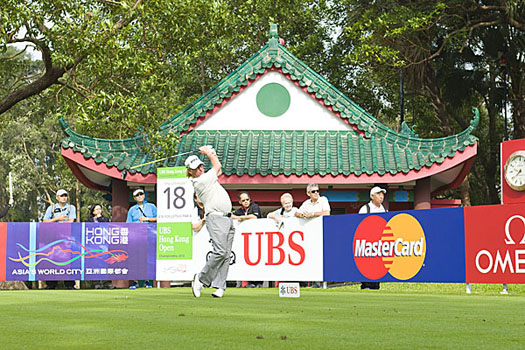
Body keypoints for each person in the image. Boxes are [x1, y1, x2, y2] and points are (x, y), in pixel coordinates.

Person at [186, 146, 235, 298]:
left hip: (227, 218)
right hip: (216, 218)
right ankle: (201, 279)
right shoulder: (199, 181)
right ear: (190, 171)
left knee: (226, 254)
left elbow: (218, 171)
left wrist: (212, 153)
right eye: (196, 168)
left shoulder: (207, 177)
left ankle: (220, 286)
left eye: (201, 165)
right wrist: (208, 153)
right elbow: (218, 166)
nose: (200, 169)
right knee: (220, 251)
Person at [42, 189, 77, 289]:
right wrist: (57, 219)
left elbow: (71, 221)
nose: (64, 197)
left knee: (68, 259)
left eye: (65, 195)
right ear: (57, 197)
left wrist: (61, 223)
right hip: (53, 237)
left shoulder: (71, 207)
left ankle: (70, 284)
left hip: (67, 237)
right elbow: (44, 221)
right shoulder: (51, 208)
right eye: (61, 196)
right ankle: (51, 284)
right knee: (52, 259)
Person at [126, 188, 157, 289]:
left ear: (144, 195)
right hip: (136, 236)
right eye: (137, 195)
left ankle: (148, 281)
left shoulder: (151, 206)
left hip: (150, 236)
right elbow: (128, 224)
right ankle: (135, 281)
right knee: (136, 258)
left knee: (148, 258)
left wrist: (147, 219)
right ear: (134, 198)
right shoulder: (132, 210)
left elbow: (159, 218)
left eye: (141, 194)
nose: (139, 196)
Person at [359, 186, 387, 290]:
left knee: (377, 265)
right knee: (367, 264)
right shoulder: (365, 209)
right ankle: (366, 285)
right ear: (372, 196)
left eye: (382, 194)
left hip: (379, 242)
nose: (381, 196)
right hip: (367, 242)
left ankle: (376, 285)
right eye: (378, 194)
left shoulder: (384, 209)